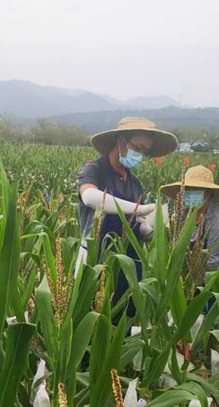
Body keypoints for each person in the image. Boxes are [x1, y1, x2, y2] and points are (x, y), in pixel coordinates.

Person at [76, 116, 178, 311]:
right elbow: (89, 196)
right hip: (95, 261)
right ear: (121, 142)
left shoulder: (134, 184)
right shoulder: (95, 170)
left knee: (123, 320)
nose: (140, 155)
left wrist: (156, 228)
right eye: (138, 148)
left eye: (145, 152)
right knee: (91, 319)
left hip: (129, 264)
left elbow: (138, 227)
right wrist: (138, 208)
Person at [160, 165, 219, 276]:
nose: (190, 193)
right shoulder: (182, 216)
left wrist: (188, 283)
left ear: (209, 192)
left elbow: (213, 265)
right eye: (187, 189)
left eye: (196, 189)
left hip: (209, 283)